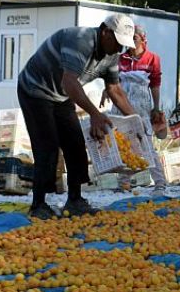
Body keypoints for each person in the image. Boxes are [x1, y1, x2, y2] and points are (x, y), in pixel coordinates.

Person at [17, 13, 139, 220]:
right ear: (105, 32)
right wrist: (94, 114)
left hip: (61, 95)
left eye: (123, 46)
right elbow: (70, 82)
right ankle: (38, 205)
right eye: (118, 43)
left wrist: (136, 120)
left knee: (75, 143)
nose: (120, 49)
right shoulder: (80, 41)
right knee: (47, 145)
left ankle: (75, 201)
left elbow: (115, 89)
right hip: (35, 90)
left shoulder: (112, 55)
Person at [100, 25, 167, 191]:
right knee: (123, 143)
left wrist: (156, 108)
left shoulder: (152, 59)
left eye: (134, 38)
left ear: (143, 40)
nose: (131, 42)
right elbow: (112, 80)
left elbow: (155, 85)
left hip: (140, 105)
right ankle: (124, 183)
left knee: (145, 142)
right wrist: (105, 91)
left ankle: (159, 181)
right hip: (121, 103)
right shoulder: (119, 58)